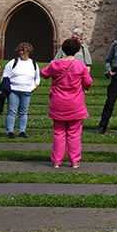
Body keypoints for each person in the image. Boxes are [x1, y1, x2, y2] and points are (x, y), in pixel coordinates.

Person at [41, 38, 93, 168]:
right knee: (74, 133)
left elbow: (44, 74)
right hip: (75, 102)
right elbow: (88, 82)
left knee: (58, 132)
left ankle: (56, 161)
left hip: (58, 102)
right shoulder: (80, 65)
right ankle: (74, 160)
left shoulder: (55, 64)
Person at [3, 42, 39, 139]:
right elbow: (5, 76)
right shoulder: (13, 62)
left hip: (27, 91)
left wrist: (34, 86)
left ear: (29, 51)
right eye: (20, 50)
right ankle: (9, 131)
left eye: (24, 51)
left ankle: (21, 131)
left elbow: (37, 78)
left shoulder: (33, 64)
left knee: (23, 111)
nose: (22, 53)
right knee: (12, 111)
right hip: (14, 90)